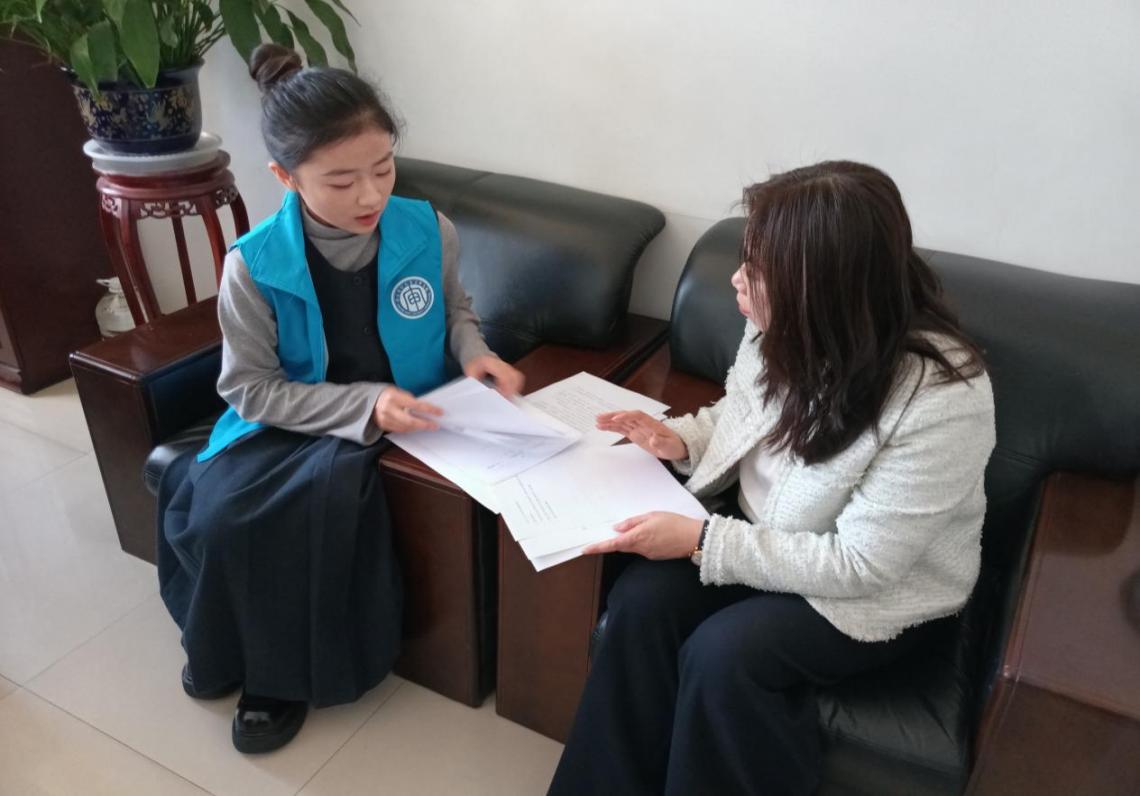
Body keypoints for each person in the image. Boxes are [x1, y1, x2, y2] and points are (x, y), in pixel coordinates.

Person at [548, 161, 996, 795]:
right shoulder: (775, 328)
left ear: (824, 287)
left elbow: (863, 565)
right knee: (641, 603)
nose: (736, 279)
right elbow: (741, 414)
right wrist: (683, 441)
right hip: (763, 535)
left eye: (758, 270)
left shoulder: (942, 396)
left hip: (868, 592)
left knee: (725, 656)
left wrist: (702, 541)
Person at [156, 43, 523, 754]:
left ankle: (275, 681)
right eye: (340, 180)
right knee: (224, 515)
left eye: (383, 169)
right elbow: (248, 387)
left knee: (316, 513)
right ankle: (226, 652)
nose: (369, 197)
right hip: (292, 416)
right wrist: (361, 405)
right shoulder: (254, 264)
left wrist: (476, 355)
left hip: (408, 415)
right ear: (285, 177)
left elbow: (455, 312)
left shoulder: (429, 230)